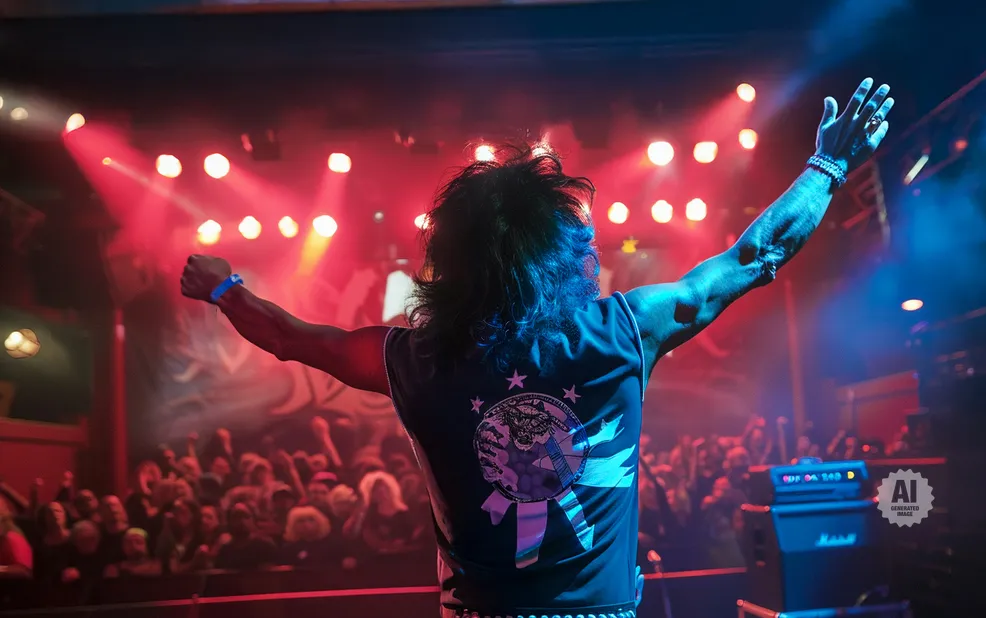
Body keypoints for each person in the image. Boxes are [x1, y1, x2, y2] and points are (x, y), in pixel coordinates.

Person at [181, 79, 893, 618]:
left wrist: (224, 288)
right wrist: (826, 168)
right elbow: (751, 258)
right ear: (561, 255)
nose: (594, 251)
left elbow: (288, 337)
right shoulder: (619, 332)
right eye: (584, 243)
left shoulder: (413, 360)